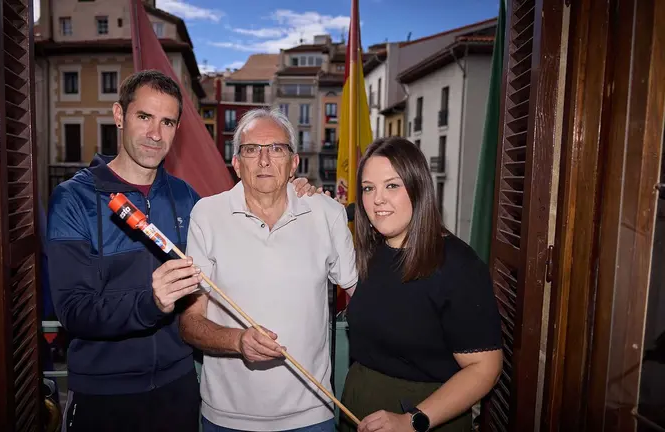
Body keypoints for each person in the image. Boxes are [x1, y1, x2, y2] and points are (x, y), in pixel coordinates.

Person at [47, 71, 317, 432]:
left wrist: (292, 191)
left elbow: (243, 225)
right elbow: (73, 312)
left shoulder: (188, 198)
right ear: (118, 115)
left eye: (167, 122)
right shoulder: (74, 198)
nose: (155, 134)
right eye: (144, 117)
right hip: (103, 394)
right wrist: (151, 302)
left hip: (178, 389)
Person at [179, 107, 357, 432]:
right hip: (226, 417)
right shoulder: (207, 215)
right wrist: (237, 341)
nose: (264, 160)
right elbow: (190, 323)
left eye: (276, 148)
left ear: (294, 163)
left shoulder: (327, 213)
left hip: (311, 416)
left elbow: (365, 294)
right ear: (236, 164)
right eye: (251, 150)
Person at [341, 137, 503, 432]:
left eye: (392, 185)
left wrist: (412, 420)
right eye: (368, 188)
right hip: (358, 409)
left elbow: (485, 369)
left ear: (418, 188)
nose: (377, 199)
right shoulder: (374, 251)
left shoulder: (458, 266)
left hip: (426, 418)